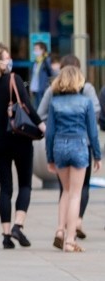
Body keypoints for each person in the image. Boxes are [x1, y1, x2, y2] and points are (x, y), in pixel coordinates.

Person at [0, 43, 43, 250]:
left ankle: (6, 235)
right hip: (20, 138)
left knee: (5, 188)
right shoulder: (14, 79)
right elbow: (27, 106)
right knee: (25, 184)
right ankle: (18, 225)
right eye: (6, 57)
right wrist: (41, 125)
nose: (10, 61)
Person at [37, 55, 100, 241]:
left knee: (65, 191)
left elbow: (49, 133)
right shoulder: (86, 101)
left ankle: (59, 229)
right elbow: (93, 132)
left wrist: (49, 158)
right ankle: (71, 239)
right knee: (76, 194)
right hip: (80, 146)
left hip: (59, 147)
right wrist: (97, 154)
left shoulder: (55, 102)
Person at [29, 41, 55, 107]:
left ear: (42, 50)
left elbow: (51, 73)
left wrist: (46, 59)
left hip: (43, 88)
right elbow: (33, 76)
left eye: (36, 49)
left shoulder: (46, 60)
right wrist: (31, 87)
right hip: (35, 88)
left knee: (42, 107)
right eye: (34, 49)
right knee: (35, 107)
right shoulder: (36, 61)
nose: (35, 51)